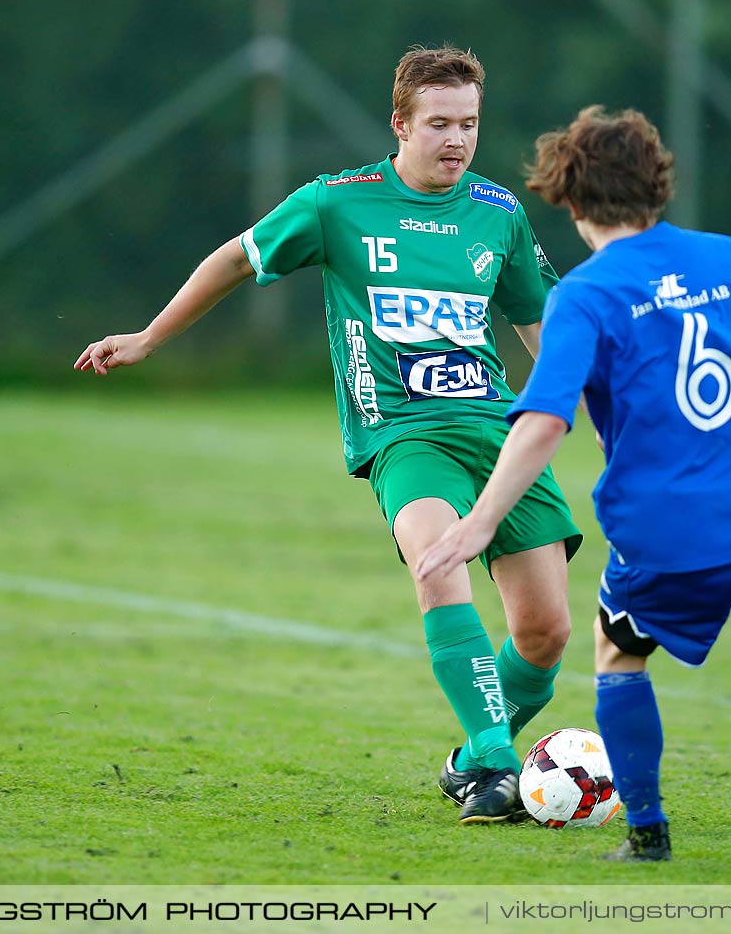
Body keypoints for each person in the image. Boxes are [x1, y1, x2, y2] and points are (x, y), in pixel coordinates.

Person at [76, 46, 583, 823]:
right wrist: (150, 335)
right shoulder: (337, 203)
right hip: (403, 435)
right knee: (437, 564)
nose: (457, 139)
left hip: (497, 431)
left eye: (470, 124)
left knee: (545, 634)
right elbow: (236, 259)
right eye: (440, 123)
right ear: (400, 124)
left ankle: (476, 753)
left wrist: (599, 417)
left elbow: (541, 331)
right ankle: (497, 766)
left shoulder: (498, 213)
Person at [416, 105, 731, 858]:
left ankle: (646, 832)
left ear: (570, 200)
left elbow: (544, 420)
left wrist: (478, 523)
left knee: (619, 653)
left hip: (669, 525)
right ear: (658, 185)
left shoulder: (583, 293)